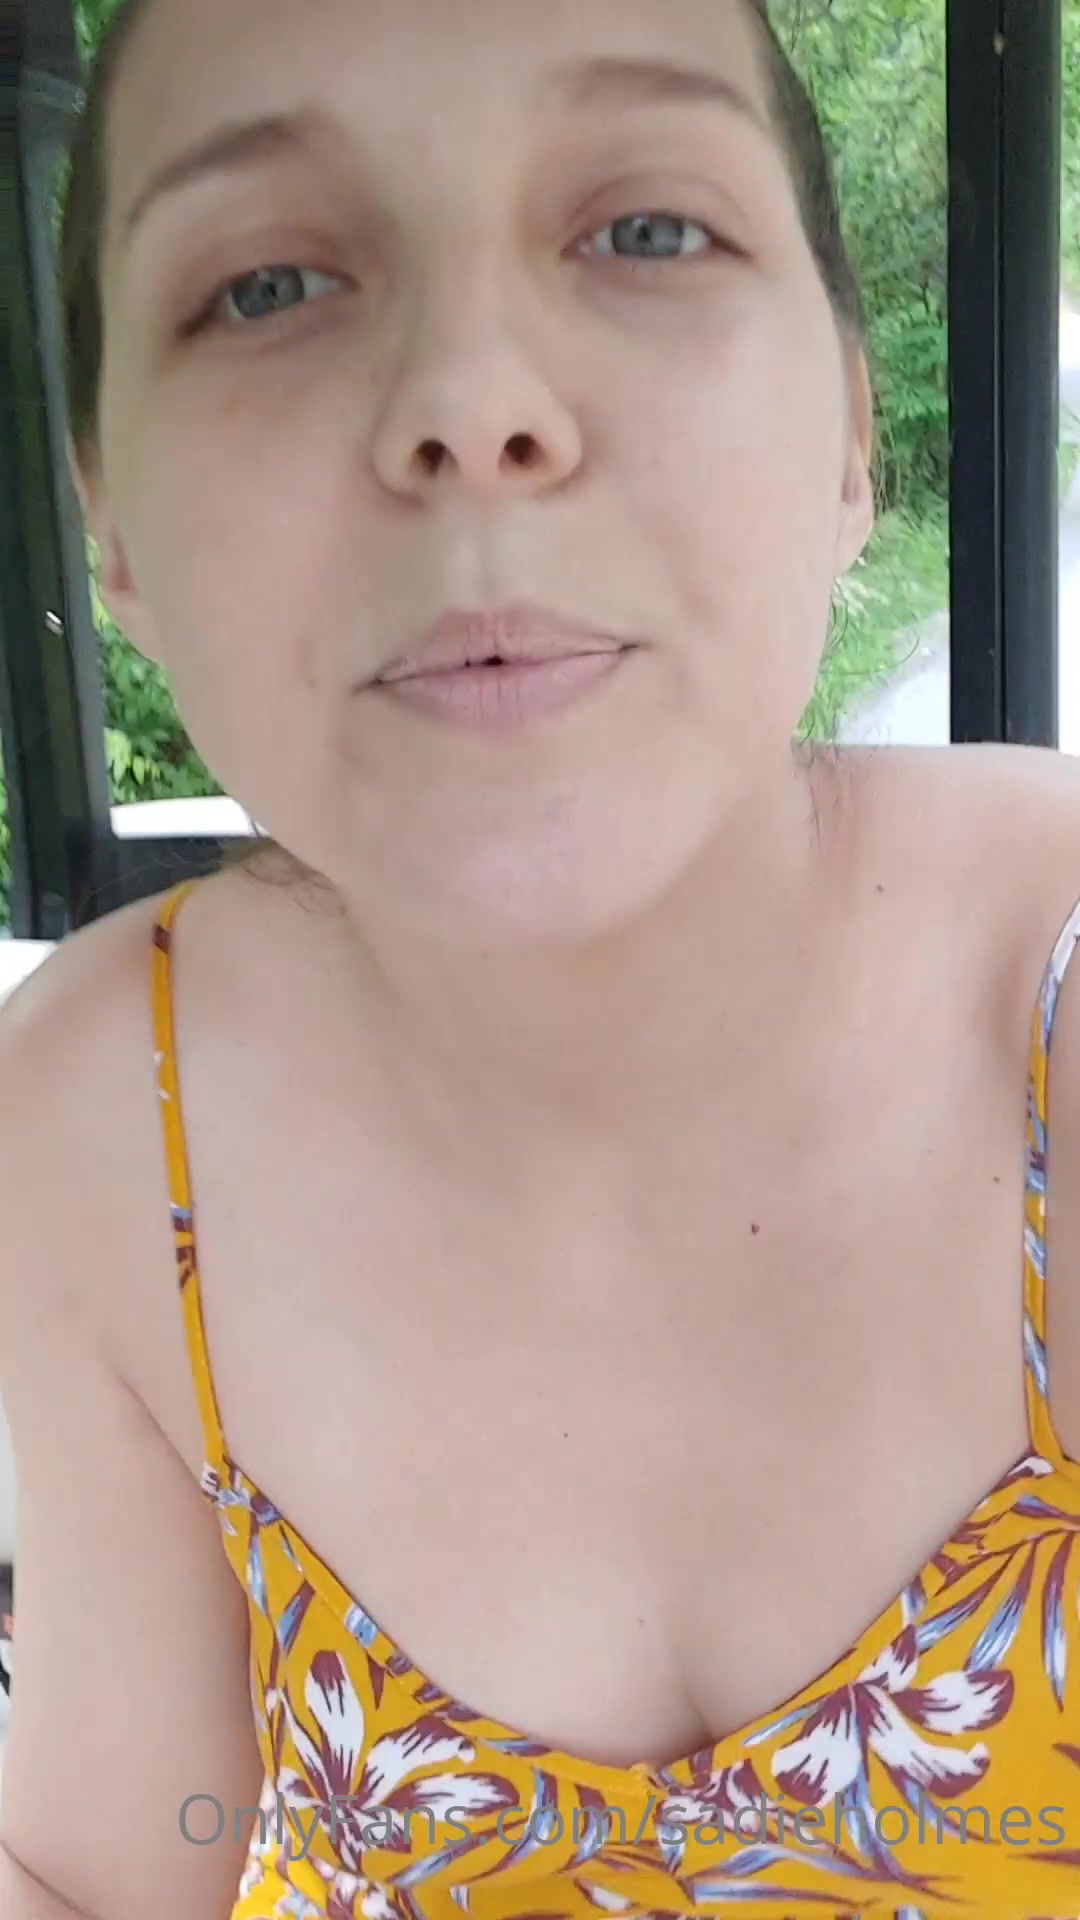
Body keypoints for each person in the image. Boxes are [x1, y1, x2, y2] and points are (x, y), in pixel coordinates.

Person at [1, 0, 1080, 1914]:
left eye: (647, 229)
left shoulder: (1056, 997)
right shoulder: (104, 1117)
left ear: (852, 431)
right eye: (265, 287)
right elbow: (108, 1868)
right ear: (114, 531)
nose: (471, 400)